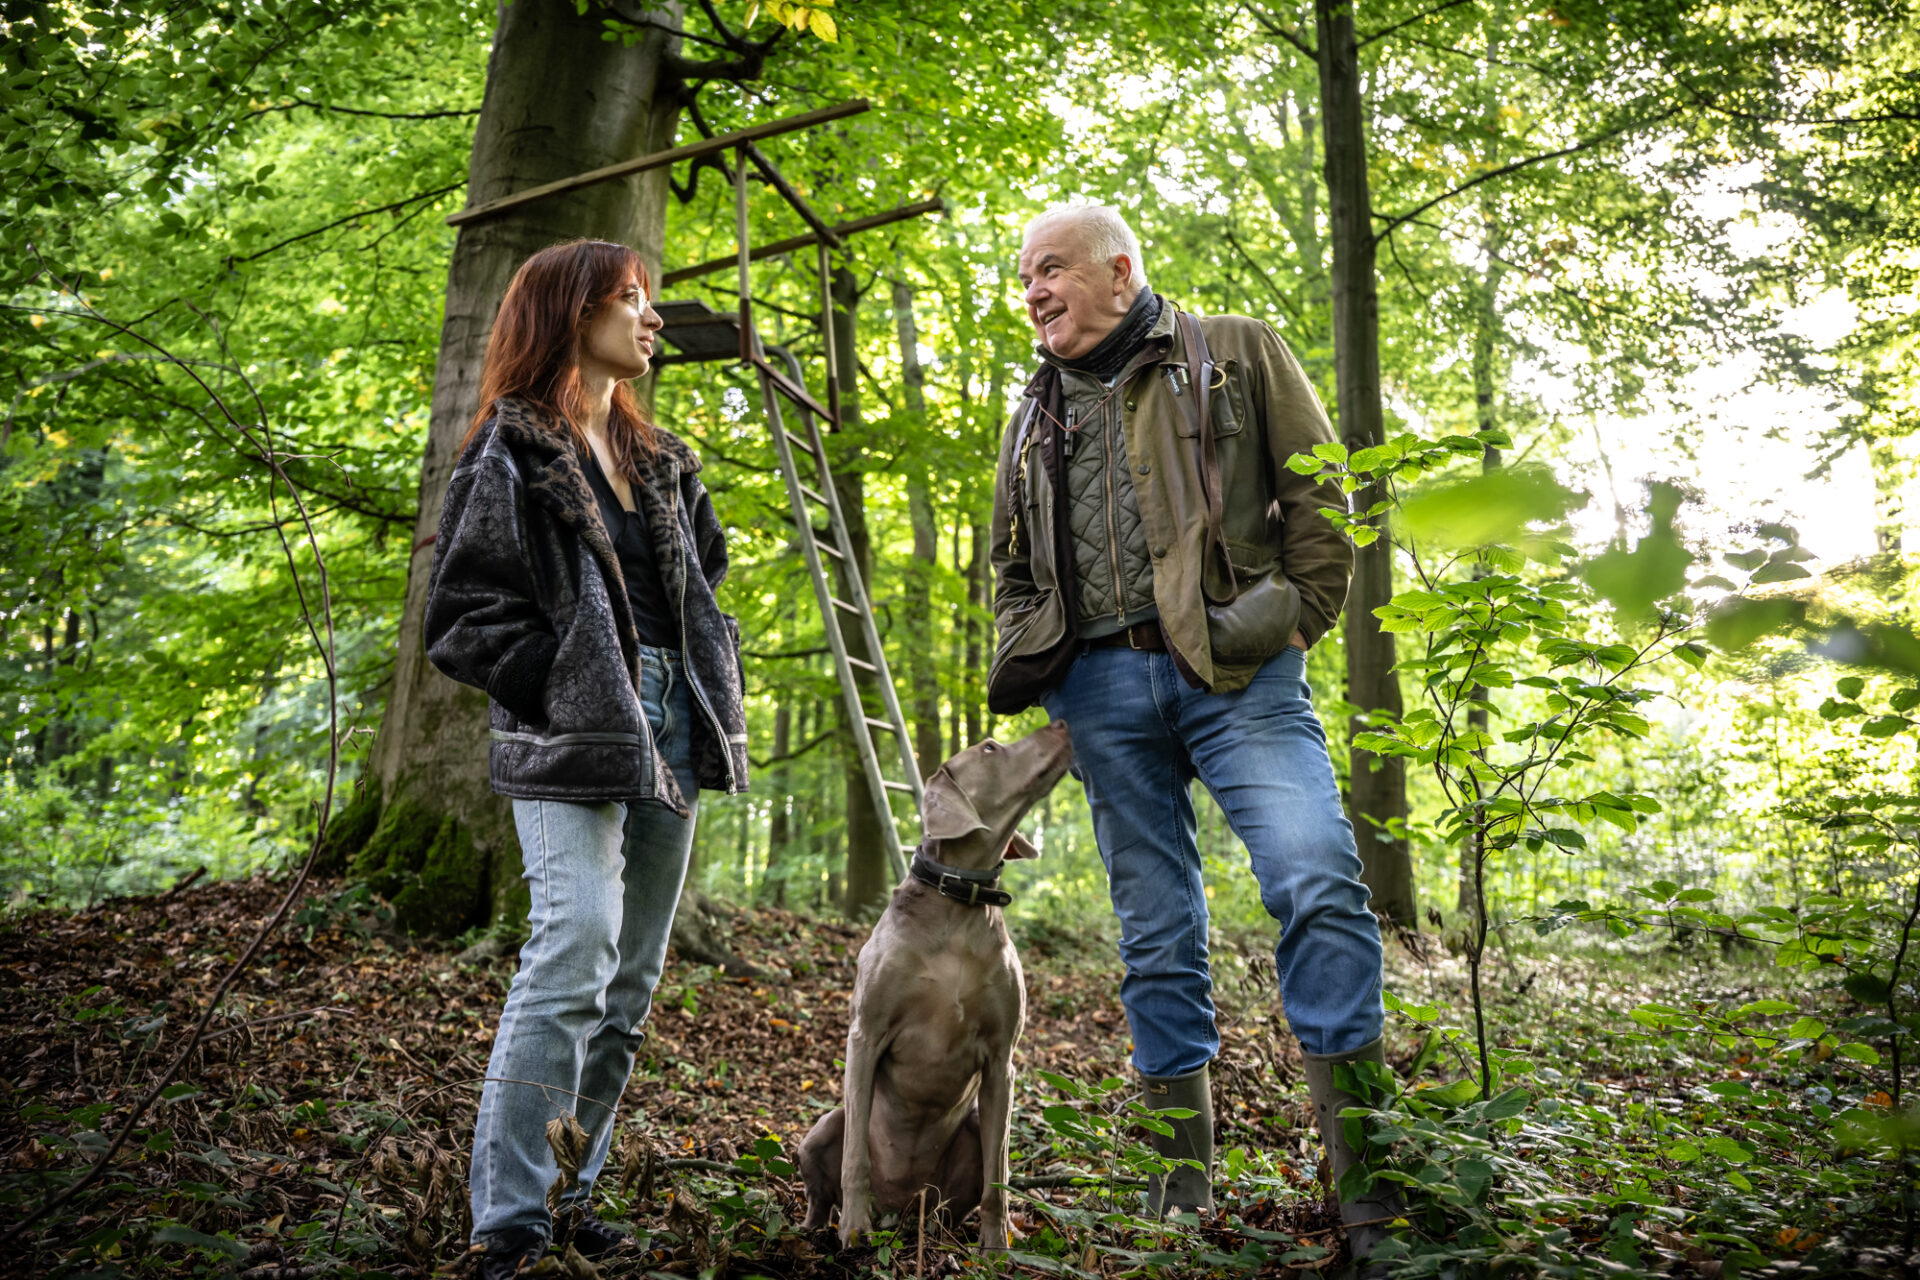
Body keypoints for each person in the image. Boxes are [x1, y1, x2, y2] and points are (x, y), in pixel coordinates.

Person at [988, 205, 1400, 1259]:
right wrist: (1040, 660)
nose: (1033, 292)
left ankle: (1369, 1189)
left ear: (1118, 272)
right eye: (1025, 278)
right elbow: (1012, 563)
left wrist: (1295, 617)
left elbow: (1324, 495)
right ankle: (1180, 1193)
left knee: (1316, 874)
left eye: (1051, 270)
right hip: (1098, 691)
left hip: (1238, 670)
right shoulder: (1029, 411)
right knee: (1156, 932)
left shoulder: (1238, 352)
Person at [423, 240, 749, 1279]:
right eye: (629, 300)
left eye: (648, 302)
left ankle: (573, 1196)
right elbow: (464, 617)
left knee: (633, 974)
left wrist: (696, 680)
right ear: (573, 313)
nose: (652, 319)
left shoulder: (667, 461)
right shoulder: (508, 451)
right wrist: (563, 680)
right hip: (576, 726)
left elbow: (704, 580)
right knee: (576, 943)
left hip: (674, 718)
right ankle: (508, 1219)